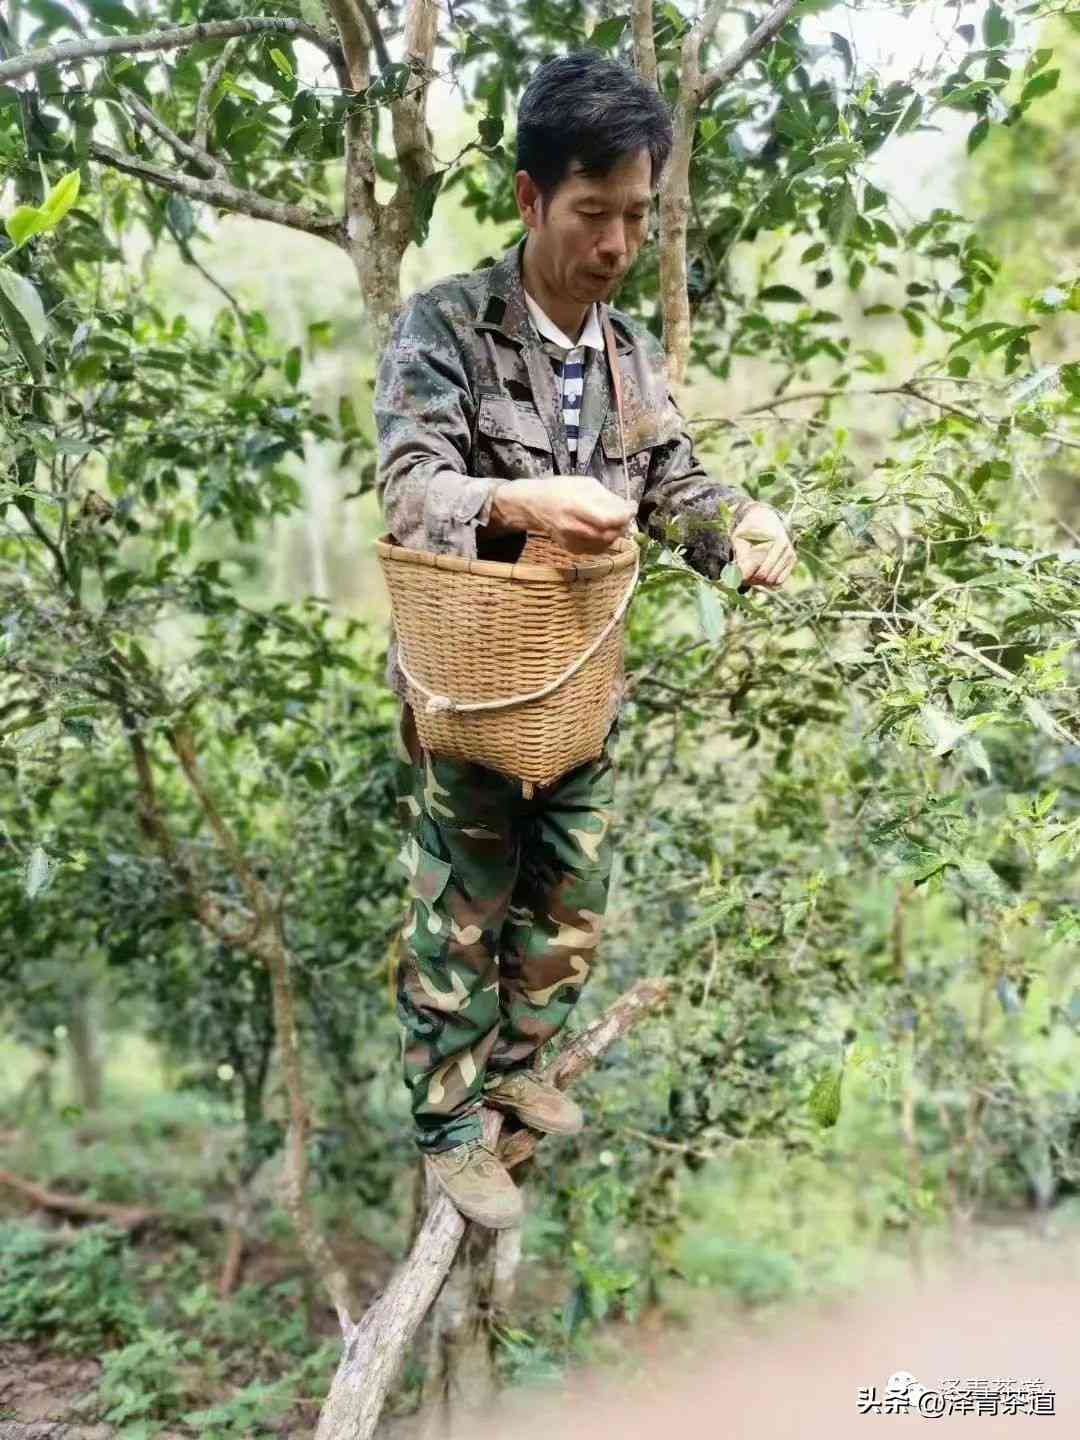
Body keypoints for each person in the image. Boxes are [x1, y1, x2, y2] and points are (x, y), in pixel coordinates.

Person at [374, 49, 795, 1230]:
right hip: (472, 681)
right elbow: (410, 492)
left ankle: (521, 1067)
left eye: (636, 216)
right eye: (592, 213)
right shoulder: (446, 325)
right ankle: (450, 1123)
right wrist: (522, 502)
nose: (615, 245)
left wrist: (742, 530)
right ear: (529, 198)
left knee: (567, 899)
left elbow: (674, 481)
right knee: (463, 902)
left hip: (578, 684)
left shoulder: (628, 352)